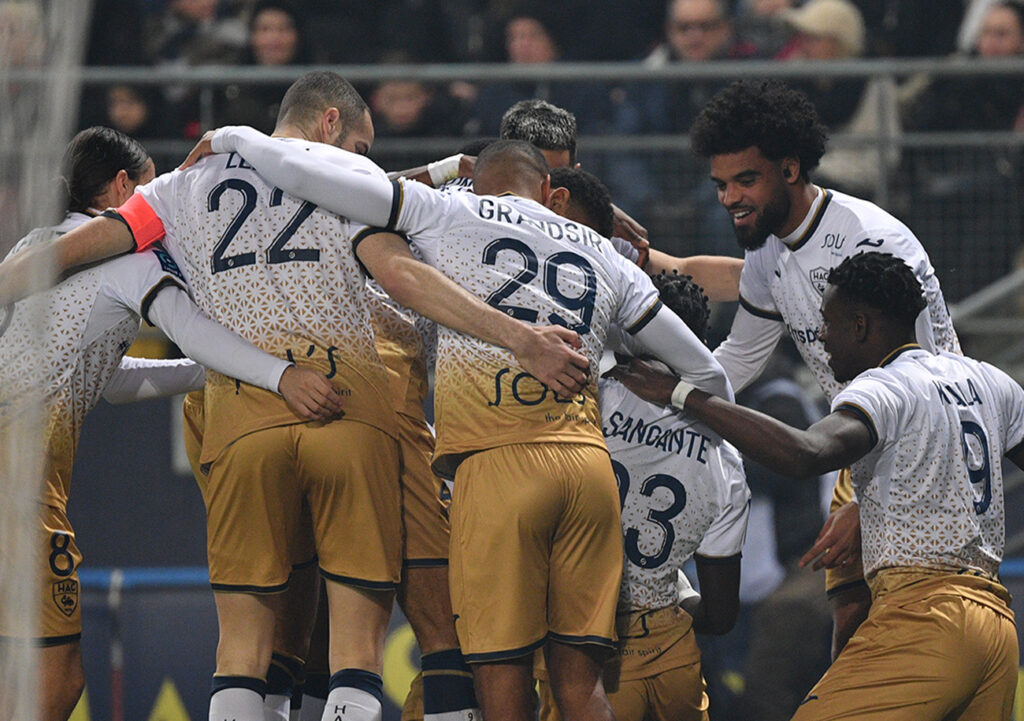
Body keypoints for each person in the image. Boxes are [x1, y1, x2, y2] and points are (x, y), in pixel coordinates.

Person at [0, 74, 589, 721]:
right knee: (361, 641)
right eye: (361, 145)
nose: (362, 159)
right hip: (345, 401)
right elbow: (399, 257)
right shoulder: (343, 183)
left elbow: (76, 269)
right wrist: (520, 335)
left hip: (237, 420)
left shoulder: (169, 194)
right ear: (331, 126)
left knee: (248, 642)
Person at [181, 129, 734, 721]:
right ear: (549, 188)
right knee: (580, 687)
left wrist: (236, 137)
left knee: (496, 676)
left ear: (477, 180)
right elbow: (708, 373)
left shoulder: (447, 211)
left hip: (495, 467)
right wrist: (686, 413)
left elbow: (322, 182)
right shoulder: (600, 251)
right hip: (587, 467)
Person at [0, 126, 340, 721]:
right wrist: (277, 374)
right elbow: (193, 327)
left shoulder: (32, 248)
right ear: (125, 187)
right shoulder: (124, 255)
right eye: (154, 186)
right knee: (55, 677)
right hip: (17, 486)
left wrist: (210, 375)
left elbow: (108, 379)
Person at [613, 251, 1023, 721]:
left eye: (828, 323)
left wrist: (682, 394)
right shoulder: (993, 382)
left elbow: (807, 454)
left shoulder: (883, 388)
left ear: (861, 325)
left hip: (923, 617)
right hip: (997, 625)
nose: (822, 338)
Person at [690, 79, 962, 657]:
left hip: (924, 460)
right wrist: (657, 406)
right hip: (859, 455)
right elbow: (736, 361)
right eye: (721, 185)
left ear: (790, 169)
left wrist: (873, 503)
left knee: (911, 644)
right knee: (851, 637)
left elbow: (934, 385)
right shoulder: (766, 252)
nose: (729, 198)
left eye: (745, 181)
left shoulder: (872, 240)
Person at [537, 268, 751, 721]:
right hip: (675, 658)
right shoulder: (725, 452)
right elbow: (721, 616)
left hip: (589, 652)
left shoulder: (584, 399)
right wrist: (665, 594)